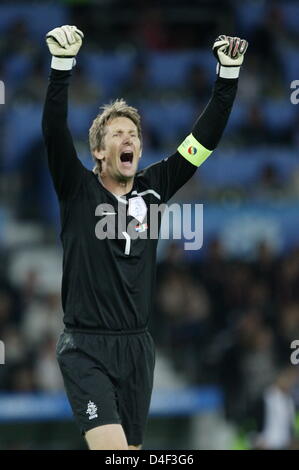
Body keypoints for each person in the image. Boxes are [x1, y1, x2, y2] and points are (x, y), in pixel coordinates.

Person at [42, 25, 248, 450]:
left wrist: (227, 75)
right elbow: (53, 132)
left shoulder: (157, 185)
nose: (128, 138)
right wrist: (62, 67)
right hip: (86, 347)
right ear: (99, 151)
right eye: (117, 133)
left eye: (133, 133)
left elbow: (202, 142)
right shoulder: (78, 189)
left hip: (138, 348)